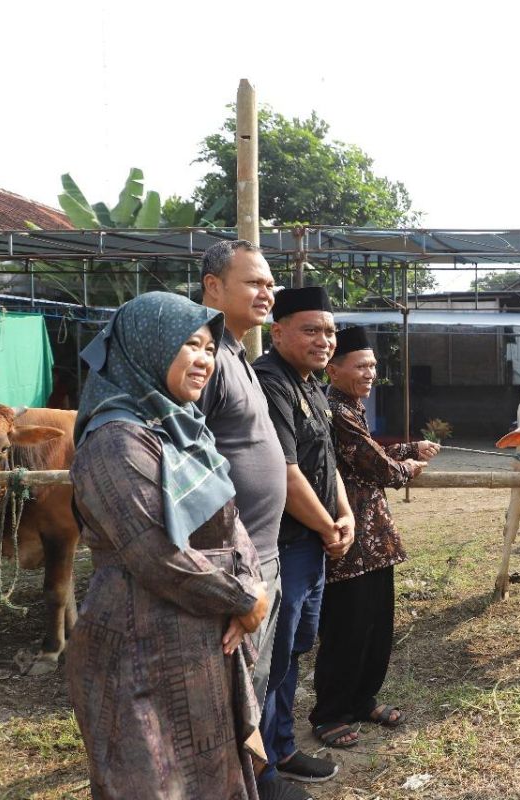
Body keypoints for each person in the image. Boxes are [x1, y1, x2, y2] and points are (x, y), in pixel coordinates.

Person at [67, 292, 269, 799]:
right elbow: (153, 551)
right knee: (154, 780)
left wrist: (251, 580)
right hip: (140, 652)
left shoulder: (183, 431)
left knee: (212, 775)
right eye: (189, 345)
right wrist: (243, 599)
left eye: (209, 348)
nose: (204, 359)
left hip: (200, 642)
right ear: (147, 349)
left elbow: (230, 517)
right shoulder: (115, 439)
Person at [198, 241, 302, 800]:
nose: (267, 293)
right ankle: (238, 783)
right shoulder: (205, 356)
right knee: (231, 685)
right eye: (253, 283)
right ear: (213, 287)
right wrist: (229, 571)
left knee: (255, 679)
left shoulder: (239, 351)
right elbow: (192, 464)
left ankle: (255, 775)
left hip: (267, 550)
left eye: (269, 285)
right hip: (236, 560)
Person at [308, 326, 438, 745]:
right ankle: (329, 714)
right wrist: (408, 468)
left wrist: (409, 448)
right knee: (346, 629)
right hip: (349, 541)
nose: (370, 373)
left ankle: (362, 700)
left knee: (376, 628)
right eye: (362, 366)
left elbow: (368, 454)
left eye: (374, 366)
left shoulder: (351, 410)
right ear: (333, 370)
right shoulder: (335, 412)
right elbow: (377, 467)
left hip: (375, 543)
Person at [255, 286, 355, 785]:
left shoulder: (312, 383)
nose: (325, 340)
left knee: (294, 648)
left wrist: (345, 515)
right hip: (281, 544)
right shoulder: (268, 381)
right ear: (278, 332)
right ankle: (262, 768)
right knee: (270, 657)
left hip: (312, 540)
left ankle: (284, 747)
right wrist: (325, 524)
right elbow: (285, 472)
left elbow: (325, 461)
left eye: (330, 331)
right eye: (311, 329)